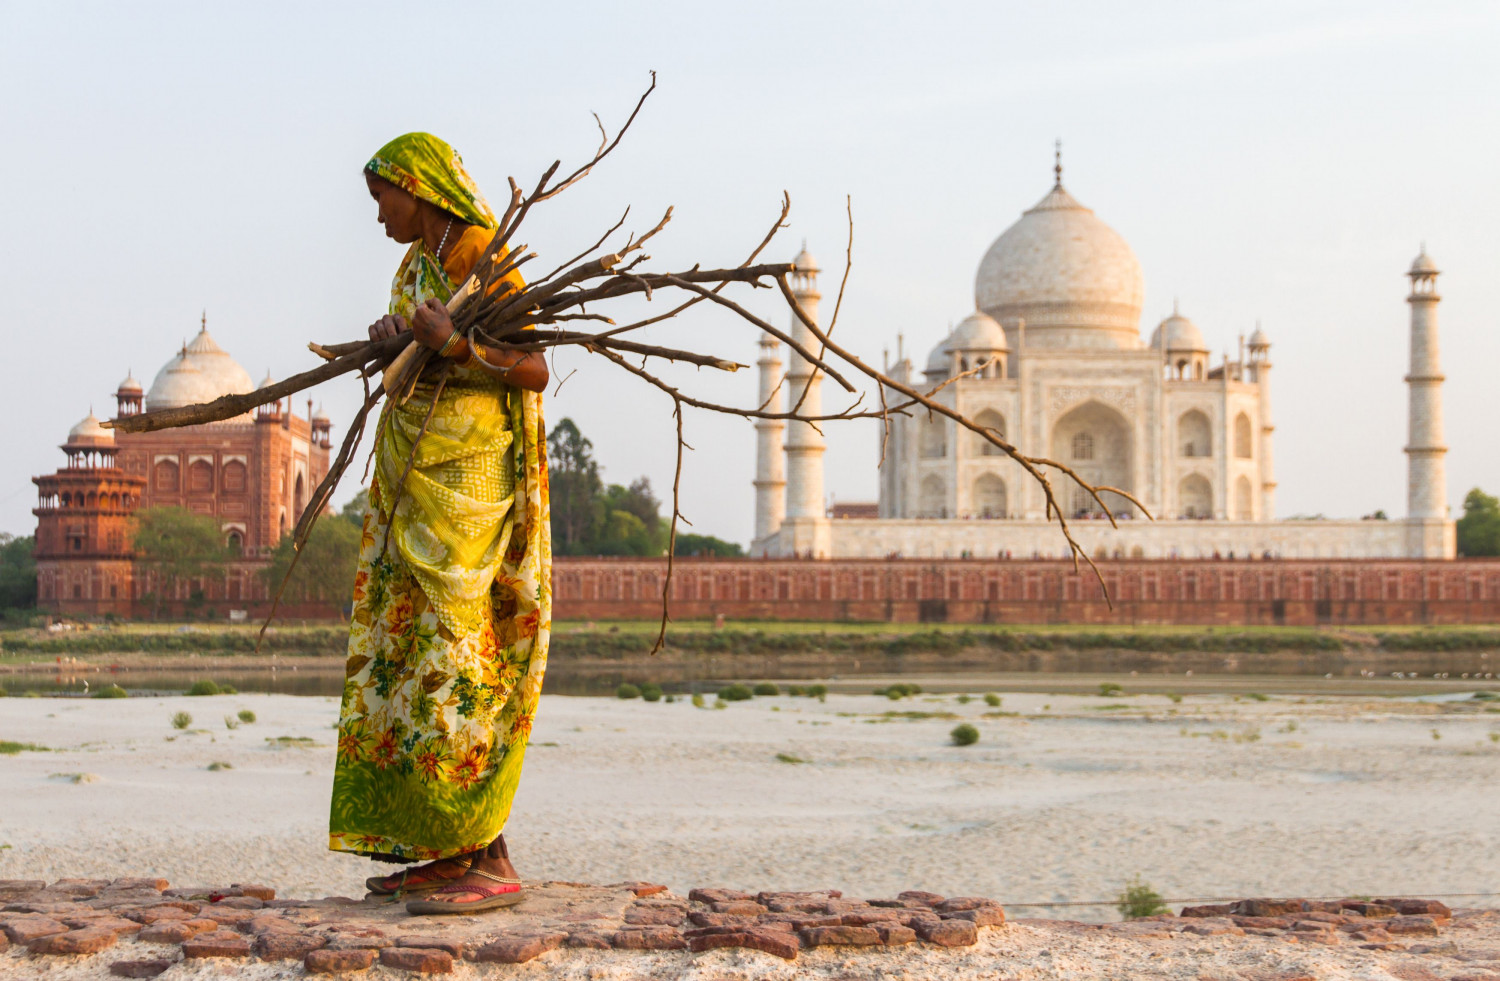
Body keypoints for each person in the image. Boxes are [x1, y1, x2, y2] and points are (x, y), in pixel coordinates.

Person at [328, 133, 552, 915]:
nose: (380, 214)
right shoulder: (413, 268)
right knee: (418, 664)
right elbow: (417, 360)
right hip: (415, 482)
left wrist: (452, 342)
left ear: (417, 188)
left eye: (382, 196)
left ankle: (487, 854)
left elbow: (532, 366)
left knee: (461, 661)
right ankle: (444, 849)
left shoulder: (479, 256)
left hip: (467, 489)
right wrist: (397, 343)